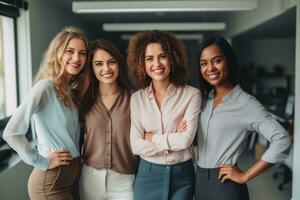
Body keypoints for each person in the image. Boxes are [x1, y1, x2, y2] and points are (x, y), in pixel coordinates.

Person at [195, 36, 291, 200]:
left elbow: (282, 139)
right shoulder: (205, 102)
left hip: (225, 186)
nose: (210, 68)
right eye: (204, 63)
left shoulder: (246, 103)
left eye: (216, 60)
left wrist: (245, 175)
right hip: (200, 182)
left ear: (229, 62)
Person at [3, 26, 88, 200]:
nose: (76, 58)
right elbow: (11, 132)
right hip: (50, 183)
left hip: (70, 178)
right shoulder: (45, 88)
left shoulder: (71, 90)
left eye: (82, 53)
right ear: (58, 53)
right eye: (69, 51)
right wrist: (42, 161)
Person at [127, 30, 201, 200]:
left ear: (172, 59)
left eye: (163, 56)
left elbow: (186, 140)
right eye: (149, 59)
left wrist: (151, 137)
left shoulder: (191, 95)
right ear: (142, 64)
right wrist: (173, 138)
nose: (157, 63)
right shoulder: (137, 98)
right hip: (148, 174)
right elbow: (136, 146)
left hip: (182, 175)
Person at [79, 39, 139, 200]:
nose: (106, 69)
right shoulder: (83, 100)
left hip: (125, 181)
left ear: (119, 64)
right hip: (90, 179)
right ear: (92, 67)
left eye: (111, 62)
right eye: (99, 64)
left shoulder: (135, 98)